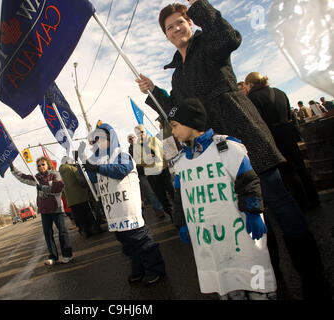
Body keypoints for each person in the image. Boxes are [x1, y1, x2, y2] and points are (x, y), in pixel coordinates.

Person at [136, 0, 331, 299]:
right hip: (218, 149)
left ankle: (314, 279)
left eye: (180, 22)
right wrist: (154, 92)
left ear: (191, 23)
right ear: (165, 35)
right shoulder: (178, 73)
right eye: (169, 27)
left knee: (278, 200)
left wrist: (198, 6)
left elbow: (230, 37)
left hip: (245, 132)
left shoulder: (210, 45)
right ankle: (272, 281)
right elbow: (178, 111)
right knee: (248, 211)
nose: (176, 29)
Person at [169, 97, 276, 299]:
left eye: (175, 126)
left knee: (253, 269)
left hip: (239, 230)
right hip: (210, 239)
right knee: (226, 280)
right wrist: (181, 223)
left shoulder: (227, 148)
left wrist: (253, 212)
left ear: (191, 122)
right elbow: (179, 198)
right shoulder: (180, 163)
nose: (173, 132)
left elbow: (248, 182)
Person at [82, 123, 166, 285]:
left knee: (141, 240)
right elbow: (91, 179)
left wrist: (97, 167)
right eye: (94, 141)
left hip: (128, 209)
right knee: (127, 243)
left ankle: (155, 269)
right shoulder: (99, 159)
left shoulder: (121, 154)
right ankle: (139, 268)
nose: (96, 143)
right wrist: (84, 166)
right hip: (113, 211)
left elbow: (121, 171)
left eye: (99, 139)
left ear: (110, 138)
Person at [245, 72, 320, 210]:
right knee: (301, 167)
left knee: (287, 171)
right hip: (288, 133)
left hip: (274, 136)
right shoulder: (279, 91)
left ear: (250, 84)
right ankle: (314, 199)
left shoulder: (253, 97)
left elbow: (258, 122)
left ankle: (302, 204)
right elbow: (289, 113)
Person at [10, 157, 73, 266]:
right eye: (39, 165)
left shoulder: (55, 174)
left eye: (43, 164)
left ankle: (67, 254)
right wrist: (12, 168)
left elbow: (58, 188)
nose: (41, 167)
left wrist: (43, 188)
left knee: (62, 232)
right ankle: (53, 257)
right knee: (47, 234)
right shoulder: (36, 177)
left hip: (56, 208)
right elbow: (23, 177)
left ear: (48, 164)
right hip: (44, 210)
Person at [132, 124, 174, 221]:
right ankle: (170, 212)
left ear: (145, 131)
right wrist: (147, 159)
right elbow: (137, 161)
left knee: (171, 190)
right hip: (151, 174)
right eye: (138, 133)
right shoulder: (136, 146)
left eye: (142, 132)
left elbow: (163, 153)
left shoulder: (155, 140)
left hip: (163, 170)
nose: (140, 134)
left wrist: (166, 165)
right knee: (160, 195)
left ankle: (180, 209)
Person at [59, 156, 102, 238]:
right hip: (80, 196)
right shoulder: (73, 169)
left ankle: (87, 232)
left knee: (79, 217)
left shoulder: (60, 173)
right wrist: (88, 186)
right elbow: (81, 180)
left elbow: (62, 189)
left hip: (71, 200)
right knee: (88, 213)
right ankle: (96, 229)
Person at [128, 133, 166, 218]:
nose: (132, 139)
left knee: (158, 189)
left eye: (133, 137)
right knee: (150, 193)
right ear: (129, 141)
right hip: (141, 174)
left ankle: (164, 206)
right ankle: (159, 210)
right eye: (130, 139)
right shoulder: (130, 150)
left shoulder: (142, 144)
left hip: (150, 170)